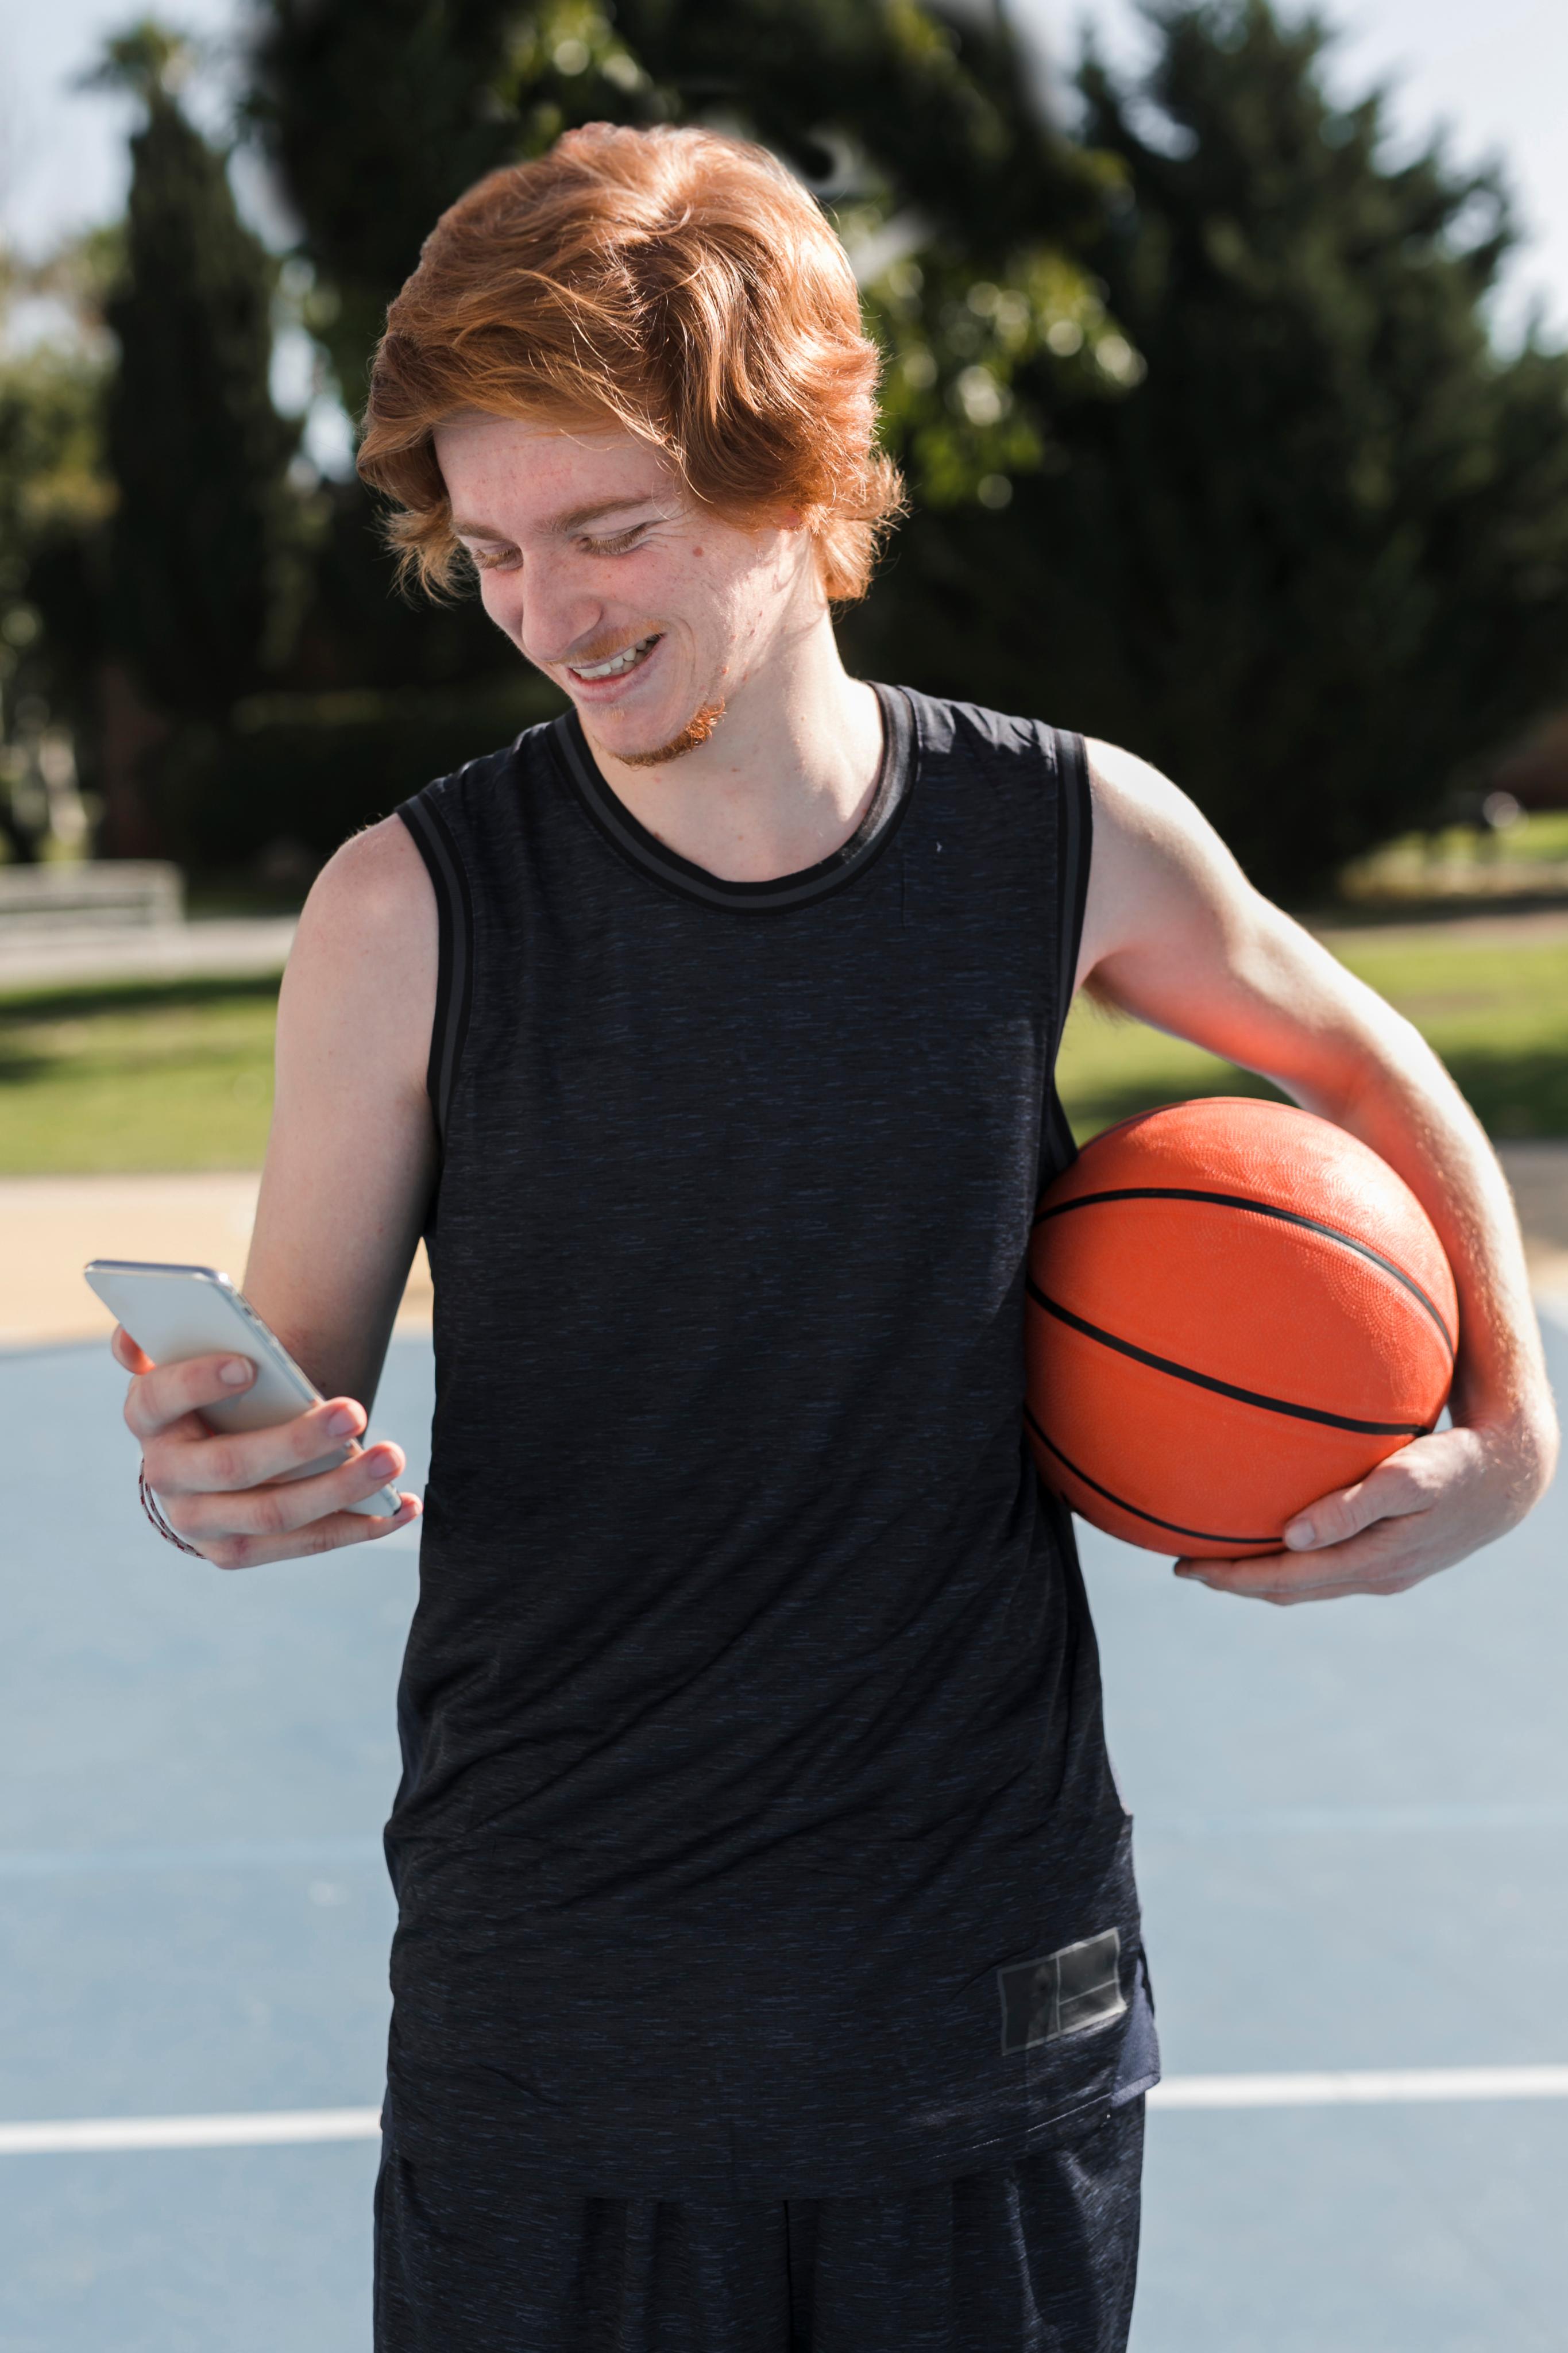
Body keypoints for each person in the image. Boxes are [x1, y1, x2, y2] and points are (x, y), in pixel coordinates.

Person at [114, 123, 1557, 2351]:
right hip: (558, 2030)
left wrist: (1504, 1431)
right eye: (492, 549)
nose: (552, 612)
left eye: (612, 528)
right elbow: (284, 1400)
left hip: (979, 2018)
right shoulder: (403, 916)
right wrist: (222, 1472)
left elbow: (1360, 1061)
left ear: (797, 467)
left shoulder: (1059, 840)